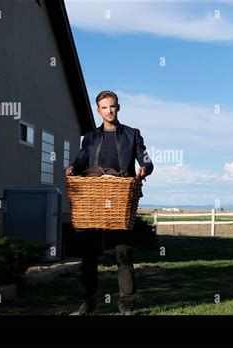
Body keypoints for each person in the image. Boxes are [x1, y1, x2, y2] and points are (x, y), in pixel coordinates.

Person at [66, 90, 154, 315]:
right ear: (98, 110)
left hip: (119, 200)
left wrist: (145, 168)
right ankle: (87, 304)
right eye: (104, 107)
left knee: (123, 254)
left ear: (118, 107)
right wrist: (74, 168)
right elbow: (81, 159)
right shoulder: (90, 137)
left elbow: (145, 158)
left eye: (112, 106)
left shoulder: (132, 134)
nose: (109, 111)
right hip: (93, 201)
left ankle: (127, 306)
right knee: (89, 256)